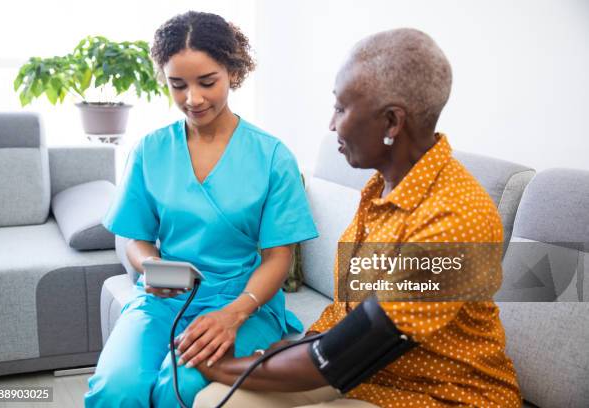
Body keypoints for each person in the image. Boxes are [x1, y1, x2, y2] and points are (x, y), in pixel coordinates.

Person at [193, 28, 522, 407]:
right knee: (219, 401)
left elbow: (344, 353)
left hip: (440, 394)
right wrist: (272, 356)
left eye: (341, 108)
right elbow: (346, 318)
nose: (331, 124)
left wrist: (221, 366)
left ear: (392, 122)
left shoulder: (455, 221)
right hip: (369, 376)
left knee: (223, 393)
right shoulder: (382, 187)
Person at [84, 11, 318, 408]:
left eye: (207, 82)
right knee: (115, 389)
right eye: (178, 85)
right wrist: (150, 268)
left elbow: (279, 258)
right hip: (165, 299)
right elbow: (135, 238)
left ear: (233, 71)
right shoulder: (150, 150)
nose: (192, 99)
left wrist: (235, 314)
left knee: (179, 389)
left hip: (242, 300)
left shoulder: (271, 156)